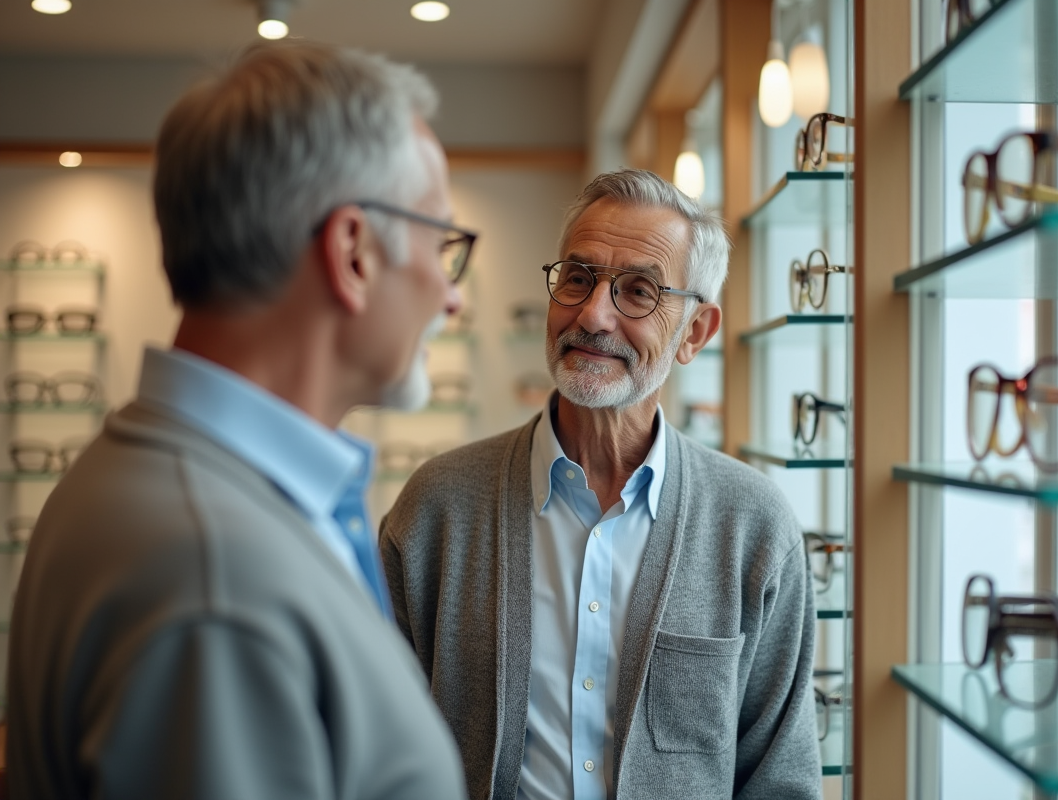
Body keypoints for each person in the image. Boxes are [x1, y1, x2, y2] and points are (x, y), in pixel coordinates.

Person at [6, 42, 472, 800]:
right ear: (353, 252)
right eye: (442, 243)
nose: (453, 296)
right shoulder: (216, 583)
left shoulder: (153, 482)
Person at [381, 168, 822, 800]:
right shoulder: (436, 508)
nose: (593, 314)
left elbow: (779, 782)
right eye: (577, 278)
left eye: (639, 291)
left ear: (695, 333)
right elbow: (381, 753)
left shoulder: (753, 527)